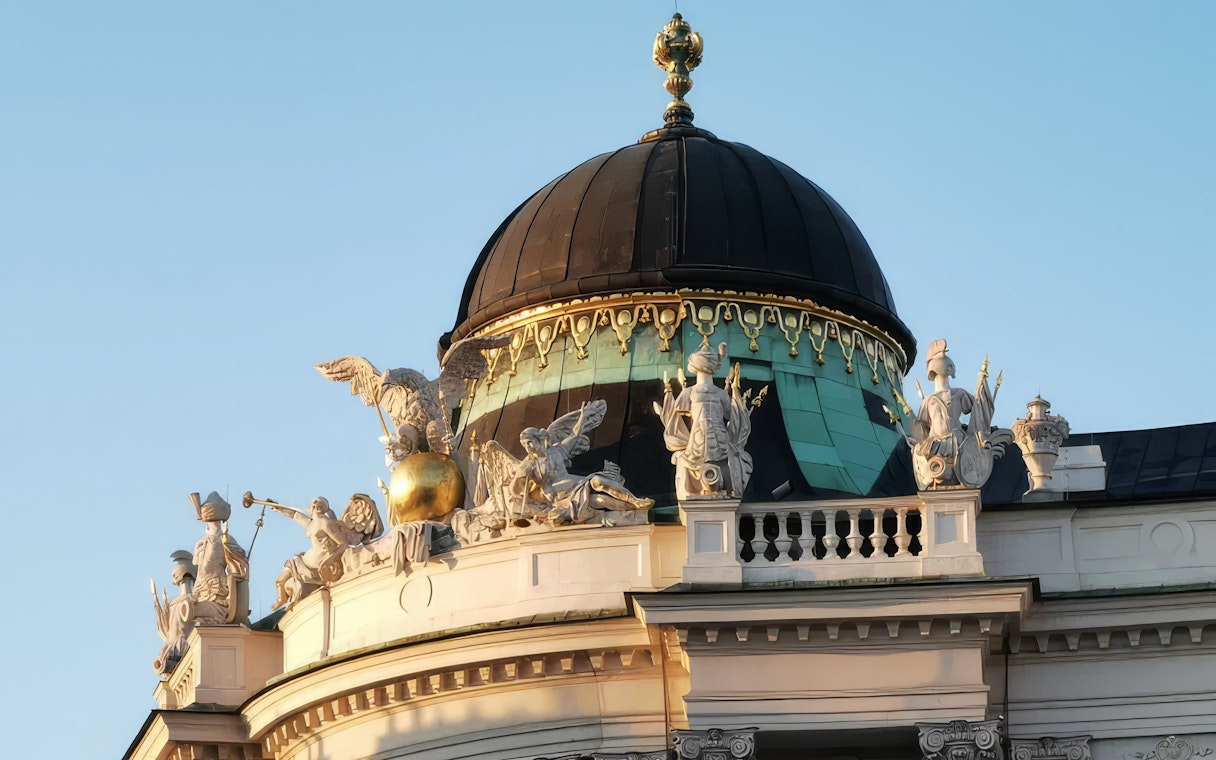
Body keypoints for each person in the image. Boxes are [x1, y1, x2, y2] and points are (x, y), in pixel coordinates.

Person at [659, 341, 753, 499]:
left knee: (729, 461)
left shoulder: (721, 394)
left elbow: (733, 416)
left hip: (719, 436)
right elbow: (678, 417)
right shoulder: (688, 393)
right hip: (698, 437)